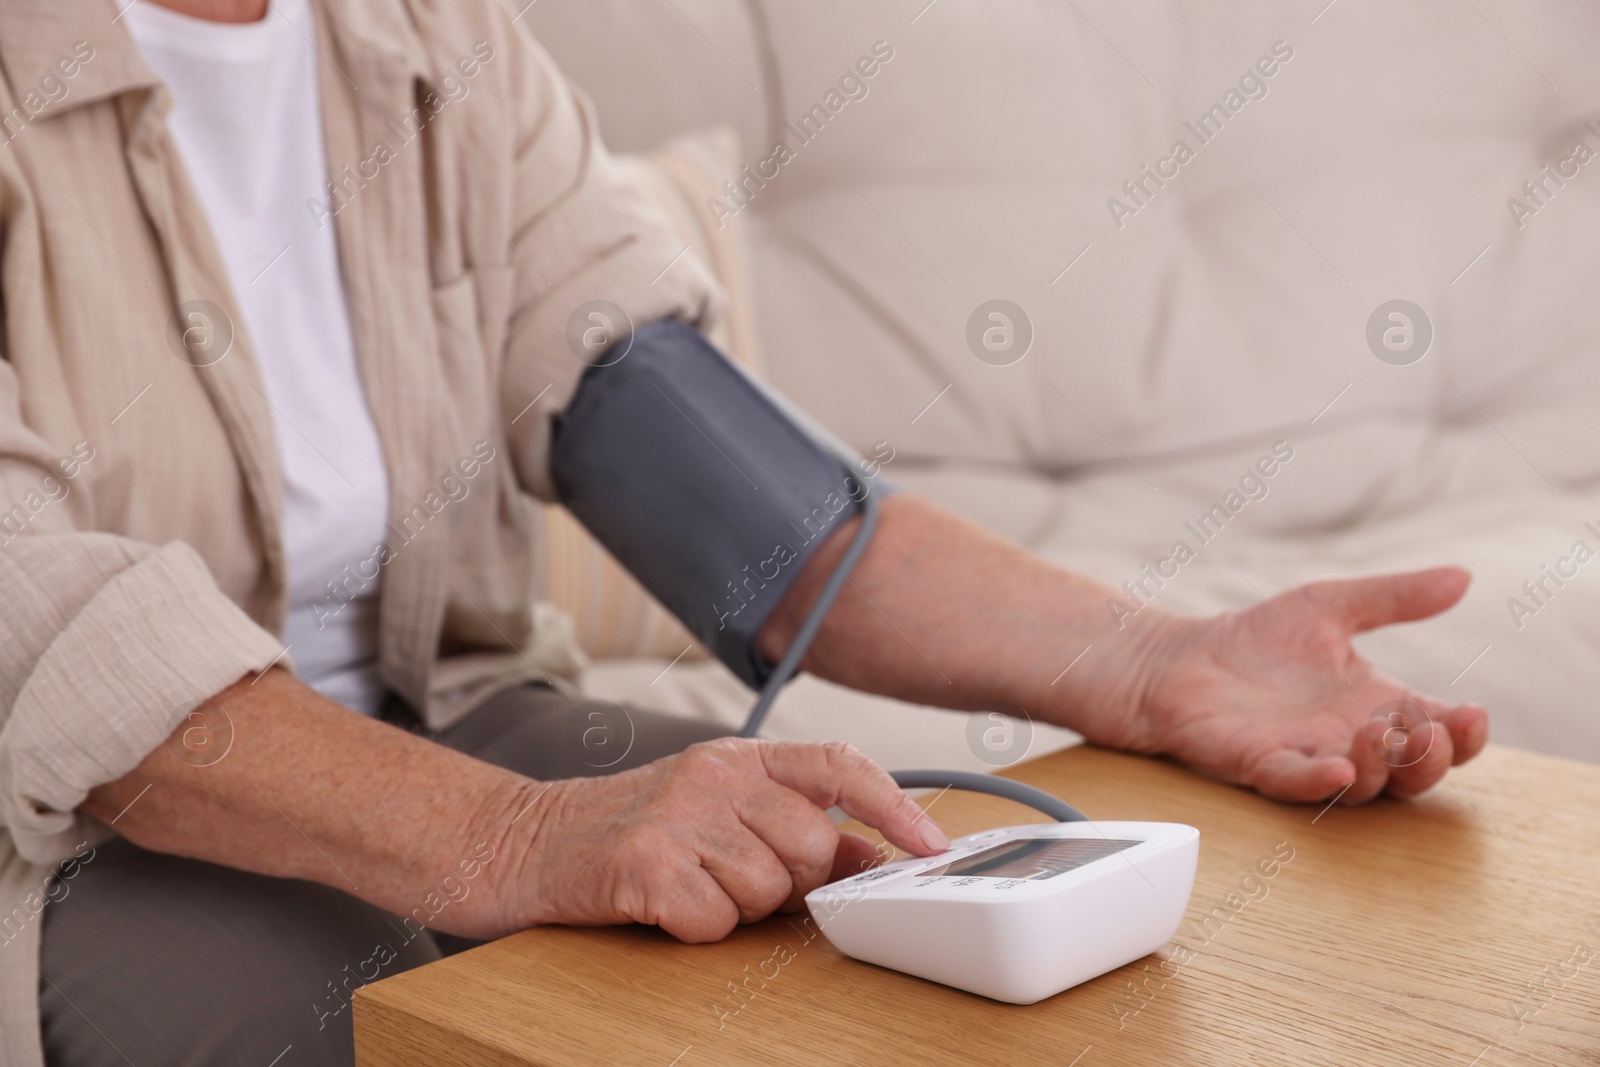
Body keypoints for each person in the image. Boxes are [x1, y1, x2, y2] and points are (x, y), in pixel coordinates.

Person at [0, 0, 1486, 1064]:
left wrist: (1156, 663)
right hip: (62, 823)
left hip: (435, 713)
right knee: (352, 1014)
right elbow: (38, 617)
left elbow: (697, 460)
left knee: (848, 894)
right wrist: (519, 838)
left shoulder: (430, 37)